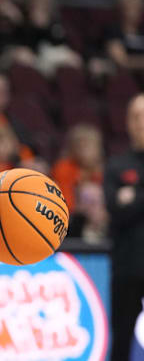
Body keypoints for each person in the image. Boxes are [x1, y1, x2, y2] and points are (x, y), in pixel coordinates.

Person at [105, 93, 144, 361]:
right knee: (121, 338)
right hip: (128, 268)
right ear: (127, 122)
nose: (141, 122)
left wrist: (134, 195)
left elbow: (127, 206)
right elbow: (115, 210)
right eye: (135, 116)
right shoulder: (117, 165)